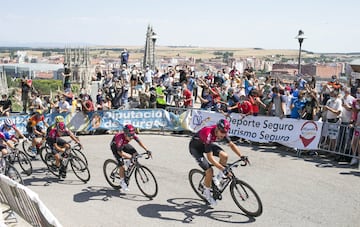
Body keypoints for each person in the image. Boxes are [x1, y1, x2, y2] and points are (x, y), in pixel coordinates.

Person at [189, 119, 243, 205]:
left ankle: (218, 179)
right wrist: (224, 169)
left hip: (206, 145)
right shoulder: (208, 134)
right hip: (195, 148)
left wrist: (241, 156)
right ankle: (207, 195)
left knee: (224, 156)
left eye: (225, 132)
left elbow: (232, 145)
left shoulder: (222, 132)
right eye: (222, 132)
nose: (223, 134)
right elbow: (210, 158)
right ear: (217, 129)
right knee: (209, 171)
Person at [110, 124, 152, 191]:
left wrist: (147, 150)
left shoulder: (131, 135)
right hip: (116, 147)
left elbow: (139, 142)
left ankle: (128, 163)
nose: (131, 137)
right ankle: (122, 182)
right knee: (122, 166)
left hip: (124, 144)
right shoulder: (120, 138)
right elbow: (120, 152)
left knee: (135, 154)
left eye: (132, 135)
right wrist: (130, 158)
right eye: (130, 136)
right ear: (125, 134)